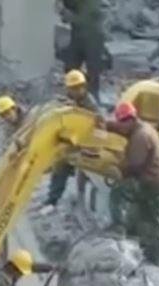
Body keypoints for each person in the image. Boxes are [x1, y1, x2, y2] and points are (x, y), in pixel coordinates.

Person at [106, 101, 159, 264]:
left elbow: (134, 165)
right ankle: (155, 255)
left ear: (131, 120)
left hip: (150, 181)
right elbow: (122, 129)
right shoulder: (142, 128)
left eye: (123, 123)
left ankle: (118, 228)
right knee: (152, 217)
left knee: (119, 191)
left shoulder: (140, 137)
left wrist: (116, 169)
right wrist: (108, 125)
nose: (121, 127)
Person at [42, 69, 101, 212]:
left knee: (79, 168)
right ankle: (52, 199)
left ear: (84, 86)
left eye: (79, 87)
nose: (77, 90)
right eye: (74, 88)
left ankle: (80, 200)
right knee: (59, 165)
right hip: (71, 141)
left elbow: (98, 125)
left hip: (86, 143)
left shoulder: (90, 104)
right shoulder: (66, 101)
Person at [59, 0, 106, 103]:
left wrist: (70, 16)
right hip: (77, 36)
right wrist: (61, 8)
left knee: (93, 70)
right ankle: (72, 95)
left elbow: (87, 17)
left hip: (93, 35)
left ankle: (92, 100)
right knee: (70, 66)